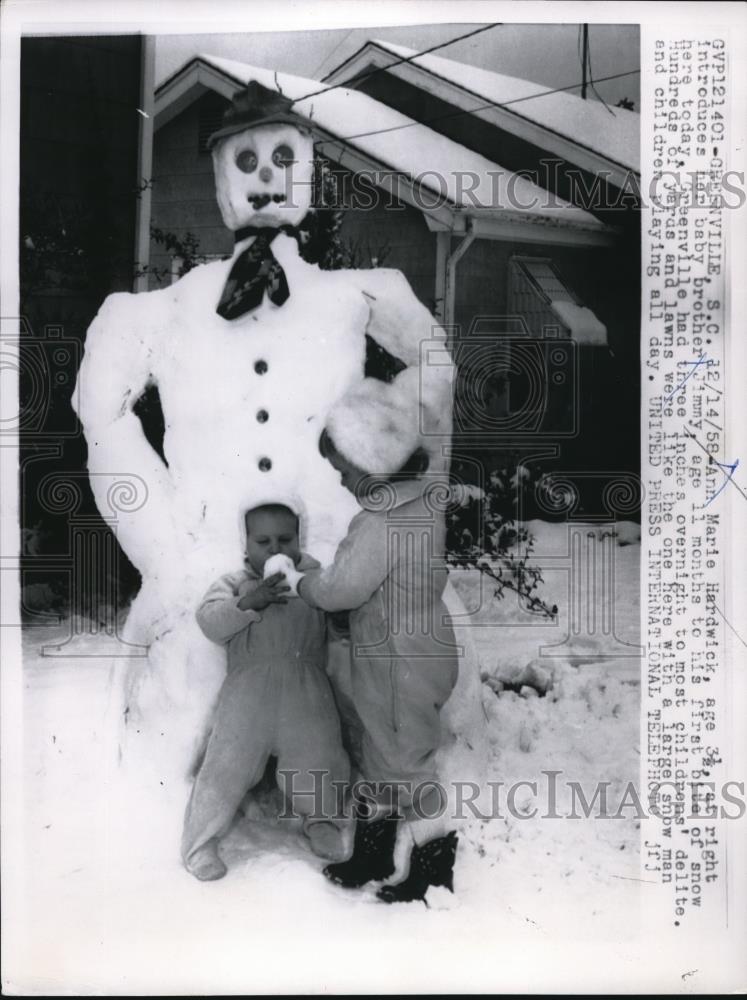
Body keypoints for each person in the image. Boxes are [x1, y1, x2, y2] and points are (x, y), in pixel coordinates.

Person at [286, 419, 460, 904]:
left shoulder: (380, 523)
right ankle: (373, 853)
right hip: (422, 650)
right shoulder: (423, 505)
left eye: (344, 470)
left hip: (396, 663)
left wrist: (305, 584)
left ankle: (434, 871)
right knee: (383, 756)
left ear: (373, 465)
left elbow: (344, 587)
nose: (340, 480)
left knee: (405, 765)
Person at [181, 503, 350, 881]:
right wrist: (246, 602)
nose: (275, 549)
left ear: (299, 540)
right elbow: (209, 621)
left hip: (306, 688)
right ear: (247, 546)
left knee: (319, 754)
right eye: (263, 541)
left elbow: (340, 621)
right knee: (226, 764)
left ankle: (320, 820)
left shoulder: (314, 578)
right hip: (248, 692)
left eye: (285, 539)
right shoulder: (234, 582)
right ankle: (201, 841)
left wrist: (338, 615)